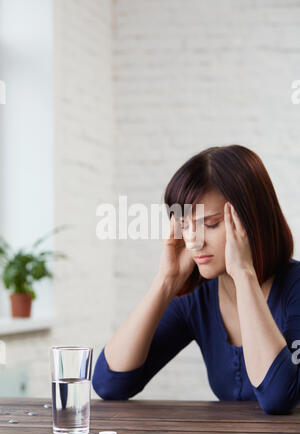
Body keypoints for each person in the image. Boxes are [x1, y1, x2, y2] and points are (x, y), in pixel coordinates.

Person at [92, 144, 300, 415]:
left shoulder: (294, 287)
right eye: (185, 226)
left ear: (252, 221)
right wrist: (166, 281)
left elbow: (278, 398)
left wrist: (244, 274)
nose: (193, 240)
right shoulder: (199, 297)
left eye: (210, 224)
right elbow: (109, 384)